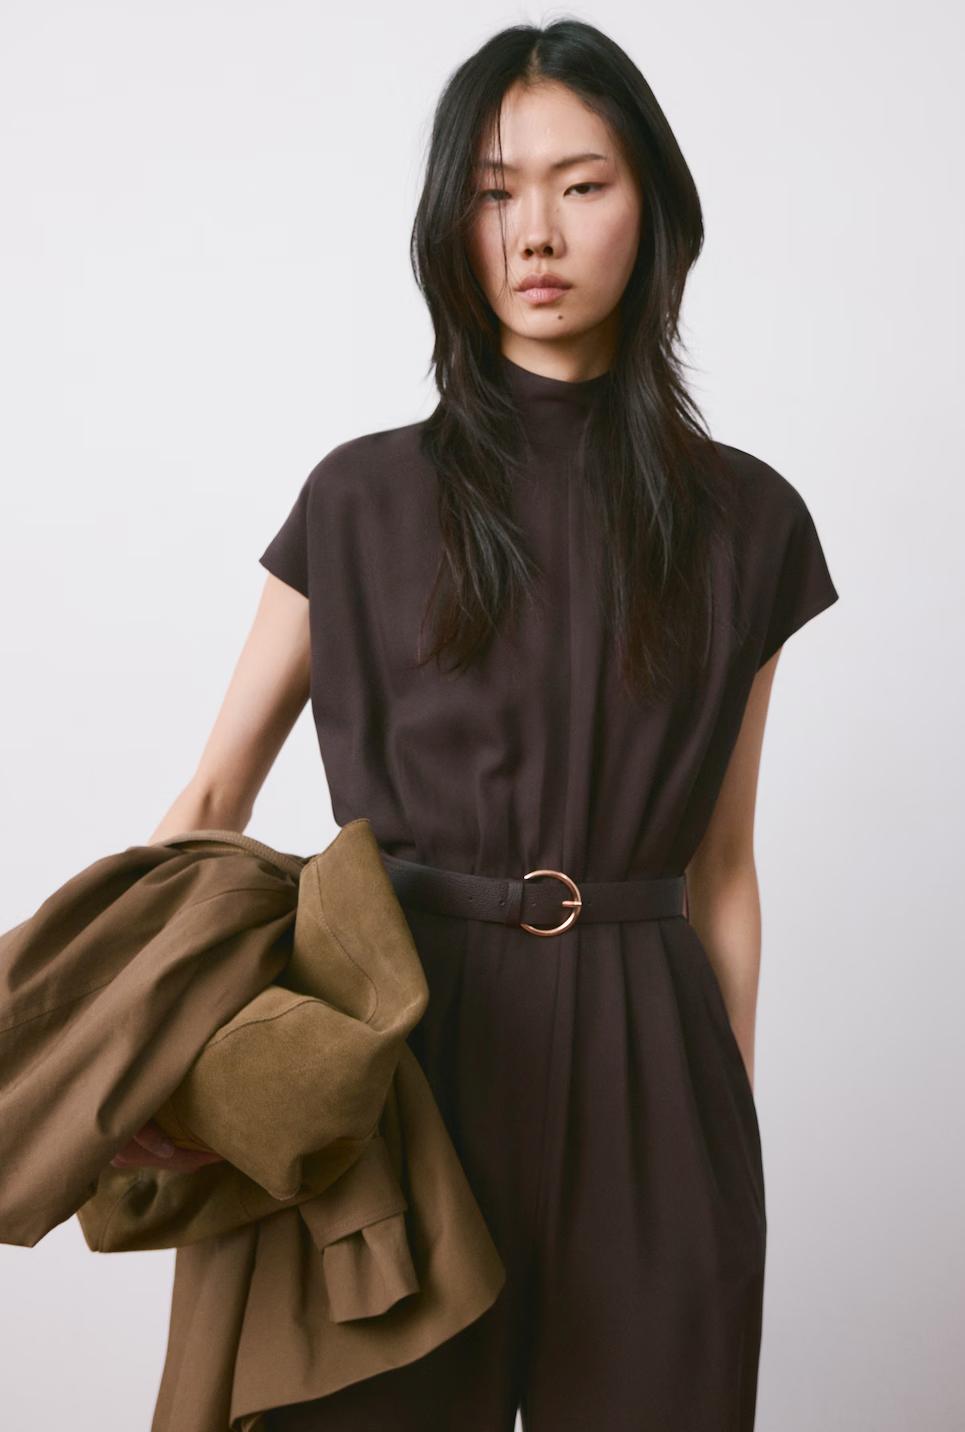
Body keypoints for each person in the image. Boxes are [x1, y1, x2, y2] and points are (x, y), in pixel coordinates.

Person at [113, 19, 839, 1431]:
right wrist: (152, 1047)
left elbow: (723, 867)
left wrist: (717, 1135)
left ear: (654, 209)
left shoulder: (748, 522)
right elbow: (211, 799)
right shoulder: (359, 498)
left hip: (650, 1078)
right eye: (496, 191)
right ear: (452, 222)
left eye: (583, 184)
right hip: (397, 1061)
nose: (536, 232)